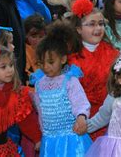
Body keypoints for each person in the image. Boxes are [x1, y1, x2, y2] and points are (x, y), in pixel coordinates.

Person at [30, 21, 92, 156]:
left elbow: (80, 102)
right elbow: (40, 110)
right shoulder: (39, 83)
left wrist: (81, 117)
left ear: (63, 59)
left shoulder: (70, 81)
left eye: (51, 62)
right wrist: (42, 134)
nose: (46, 67)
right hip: (50, 141)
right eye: (41, 63)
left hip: (71, 139)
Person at [68, 0, 120, 140]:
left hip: (111, 115)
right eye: (91, 24)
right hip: (81, 118)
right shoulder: (70, 58)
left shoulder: (113, 54)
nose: (98, 29)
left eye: (101, 24)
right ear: (78, 29)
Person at [24, 14, 46, 83]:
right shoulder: (23, 53)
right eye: (34, 37)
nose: (38, 40)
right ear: (26, 35)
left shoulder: (50, 50)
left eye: (41, 36)